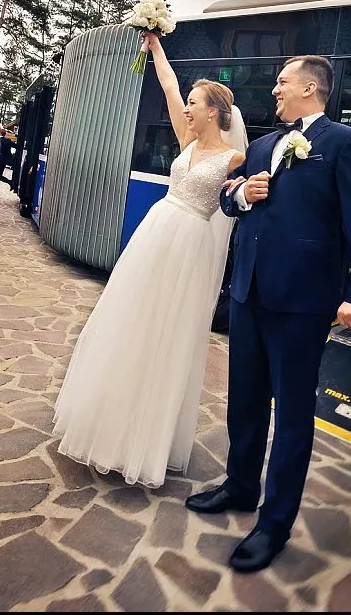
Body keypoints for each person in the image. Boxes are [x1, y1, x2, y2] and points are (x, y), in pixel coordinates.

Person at [188, 54, 351, 573]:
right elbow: (229, 201)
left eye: (282, 82)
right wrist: (242, 195)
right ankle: (239, 486)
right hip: (248, 292)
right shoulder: (259, 146)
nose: (274, 90)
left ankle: (274, 524)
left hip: (303, 301)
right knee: (244, 400)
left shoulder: (344, 143)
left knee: (293, 415)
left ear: (310, 89)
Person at [52, 31, 247, 491]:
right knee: (130, 320)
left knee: (167, 332)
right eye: (189, 103)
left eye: (195, 104)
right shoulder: (186, 139)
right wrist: (156, 48)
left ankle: (144, 439)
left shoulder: (235, 157)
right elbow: (169, 86)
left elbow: (237, 201)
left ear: (214, 111)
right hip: (155, 236)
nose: (187, 108)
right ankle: (105, 417)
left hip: (190, 245)